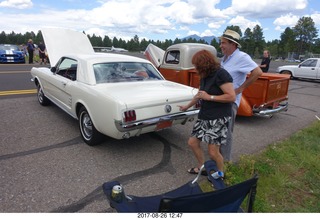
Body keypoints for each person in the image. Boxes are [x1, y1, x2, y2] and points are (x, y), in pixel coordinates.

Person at [179, 50, 236, 177]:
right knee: (192, 143)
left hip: (219, 117)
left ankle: (220, 174)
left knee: (213, 152)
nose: (195, 68)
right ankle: (203, 167)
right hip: (205, 116)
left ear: (204, 64)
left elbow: (231, 96)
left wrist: (209, 97)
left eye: (196, 65)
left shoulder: (221, 74)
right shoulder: (205, 75)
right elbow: (200, 94)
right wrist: (186, 106)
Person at [219, 29, 263, 162]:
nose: (221, 45)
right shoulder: (225, 59)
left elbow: (258, 72)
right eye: (221, 42)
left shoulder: (242, 57)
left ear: (233, 44)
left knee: (226, 133)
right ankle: (218, 160)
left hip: (230, 102)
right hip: (221, 101)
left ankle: (225, 164)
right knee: (219, 131)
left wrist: (239, 89)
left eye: (223, 43)